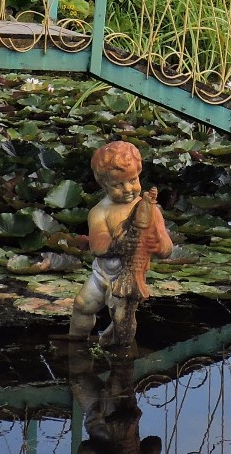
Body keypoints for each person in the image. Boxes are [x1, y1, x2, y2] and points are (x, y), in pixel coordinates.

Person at [69, 141, 173, 346]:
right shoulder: (100, 211)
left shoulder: (150, 210)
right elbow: (98, 245)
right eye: (118, 185)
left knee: (121, 319)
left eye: (133, 180)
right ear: (104, 185)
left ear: (139, 174)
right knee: (81, 305)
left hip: (130, 277)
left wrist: (158, 243)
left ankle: (123, 356)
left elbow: (167, 248)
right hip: (102, 274)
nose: (128, 189)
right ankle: (74, 343)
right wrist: (119, 244)